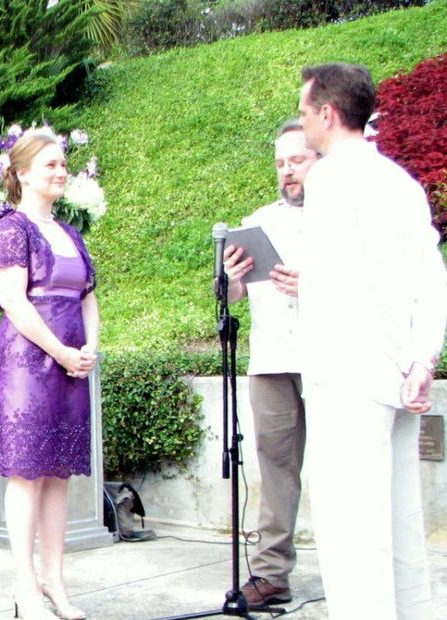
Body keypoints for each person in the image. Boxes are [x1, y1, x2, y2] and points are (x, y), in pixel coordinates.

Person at [296, 63, 446, 619]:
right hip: (395, 376)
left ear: (328, 114)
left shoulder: (330, 178)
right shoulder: (401, 182)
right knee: (401, 525)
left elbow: (360, 286)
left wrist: (409, 357)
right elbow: (430, 276)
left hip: (351, 374)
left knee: (353, 537)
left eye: (306, 111)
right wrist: (422, 359)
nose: (304, 121)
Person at [0, 132, 98, 620]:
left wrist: (90, 346)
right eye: (51, 164)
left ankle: (55, 579)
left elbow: (89, 294)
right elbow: (14, 302)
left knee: (58, 474)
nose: (61, 171)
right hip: (27, 365)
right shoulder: (11, 229)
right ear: (24, 173)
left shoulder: (70, 231)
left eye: (64, 164)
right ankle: (25, 585)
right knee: (28, 473)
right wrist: (61, 352)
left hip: (72, 362)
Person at [220, 120, 318, 607]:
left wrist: (315, 287)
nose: (288, 172)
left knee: (344, 463)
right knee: (276, 467)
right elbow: (234, 295)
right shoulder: (258, 220)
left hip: (330, 356)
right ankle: (272, 573)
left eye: (296, 160)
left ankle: (360, 565)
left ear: (319, 157)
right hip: (273, 360)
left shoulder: (346, 217)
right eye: (280, 163)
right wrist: (233, 281)